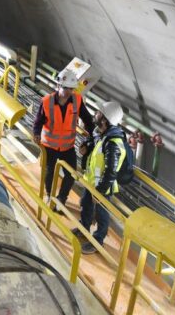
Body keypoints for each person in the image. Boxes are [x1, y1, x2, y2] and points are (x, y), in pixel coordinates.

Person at [32, 68, 95, 212]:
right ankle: (50, 196)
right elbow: (38, 121)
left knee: (71, 174)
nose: (68, 92)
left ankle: (61, 198)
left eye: (71, 89)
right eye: (65, 88)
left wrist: (93, 135)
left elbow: (87, 119)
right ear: (58, 86)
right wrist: (36, 133)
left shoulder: (77, 100)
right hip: (50, 145)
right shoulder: (47, 102)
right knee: (49, 172)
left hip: (68, 147)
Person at [75, 101, 126, 254]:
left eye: (99, 112)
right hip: (92, 183)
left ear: (105, 119)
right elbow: (96, 156)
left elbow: (111, 171)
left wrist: (100, 191)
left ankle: (97, 241)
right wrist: (86, 150)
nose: (96, 113)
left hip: (103, 187)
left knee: (101, 214)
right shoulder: (102, 135)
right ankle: (83, 228)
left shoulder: (113, 143)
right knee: (86, 205)